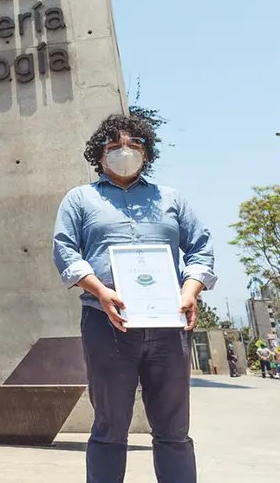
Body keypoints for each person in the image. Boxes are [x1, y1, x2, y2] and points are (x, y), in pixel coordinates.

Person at [53, 114, 217, 483]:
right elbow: (65, 250)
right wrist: (99, 289)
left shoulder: (171, 199)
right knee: (109, 428)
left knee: (174, 430)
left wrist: (190, 290)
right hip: (106, 323)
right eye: (114, 146)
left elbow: (201, 249)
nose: (124, 152)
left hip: (168, 327)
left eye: (134, 145)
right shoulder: (80, 199)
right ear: (99, 155)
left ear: (147, 152)